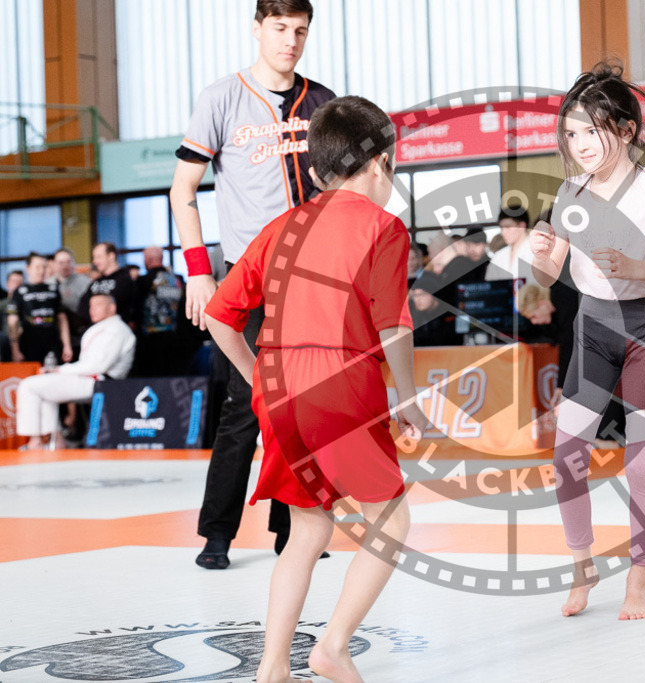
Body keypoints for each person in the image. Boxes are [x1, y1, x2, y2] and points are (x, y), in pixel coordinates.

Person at [205, 94, 427, 683]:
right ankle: (332, 646)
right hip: (341, 385)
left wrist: (257, 376)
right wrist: (407, 398)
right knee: (391, 522)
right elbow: (393, 324)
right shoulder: (383, 226)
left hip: (278, 390)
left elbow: (220, 314)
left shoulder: (281, 226)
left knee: (307, 530)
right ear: (381, 163)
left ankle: (272, 666)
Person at [531, 62, 645, 621]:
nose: (579, 144)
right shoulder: (570, 192)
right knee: (567, 454)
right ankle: (582, 565)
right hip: (593, 328)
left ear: (626, 130)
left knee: (641, 463)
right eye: (571, 133)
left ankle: (639, 574)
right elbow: (548, 274)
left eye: (592, 130)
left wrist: (637, 267)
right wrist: (539, 257)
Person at [169, 0, 335, 570]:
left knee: (304, 407)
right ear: (258, 29)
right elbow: (183, 189)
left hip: (312, 279)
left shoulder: (323, 101)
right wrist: (199, 270)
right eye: (280, 28)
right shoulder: (221, 98)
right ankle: (217, 533)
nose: (291, 40)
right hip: (250, 276)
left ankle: (294, 530)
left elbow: (344, 187)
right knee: (245, 405)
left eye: (301, 30)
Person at [16, 294, 135, 450]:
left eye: (98, 305)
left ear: (112, 308)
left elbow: (97, 366)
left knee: (28, 386)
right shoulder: (101, 328)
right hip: (88, 379)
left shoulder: (117, 329)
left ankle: (36, 442)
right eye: (91, 306)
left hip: (102, 383)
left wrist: (60, 370)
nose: (92, 309)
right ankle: (55, 440)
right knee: (41, 388)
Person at [6, 253, 73, 366]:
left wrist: (67, 345)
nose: (41, 271)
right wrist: (15, 350)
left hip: (53, 343)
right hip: (28, 344)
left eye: (44, 267)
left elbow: (62, 319)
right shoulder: (19, 292)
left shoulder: (53, 289)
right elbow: (12, 323)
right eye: (37, 267)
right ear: (28, 268)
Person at [133, 246, 188, 376]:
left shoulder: (143, 281)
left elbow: (136, 307)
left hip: (150, 340)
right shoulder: (177, 279)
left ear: (148, 260)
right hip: (176, 338)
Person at [78, 242, 136, 324]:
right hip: (94, 328)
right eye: (94, 257)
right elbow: (82, 308)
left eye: (98, 257)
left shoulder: (124, 280)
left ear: (111, 256)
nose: (95, 261)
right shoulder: (96, 281)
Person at [487, 207, 539, 284]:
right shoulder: (498, 256)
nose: (503, 232)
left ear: (522, 226)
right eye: (502, 228)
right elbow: (490, 285)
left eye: (508, 227)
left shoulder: (537, 253)